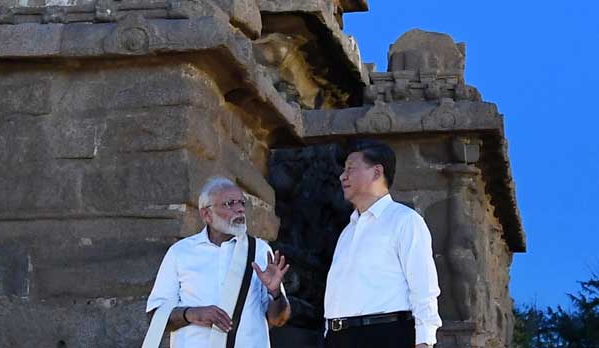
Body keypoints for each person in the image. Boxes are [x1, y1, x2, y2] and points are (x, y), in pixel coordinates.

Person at [145, 177, 291, 348]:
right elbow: (155, 316)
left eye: (241, 203)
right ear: (206, 214)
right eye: (229, 204)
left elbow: (278, 319)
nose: (239, 209)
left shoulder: (260, 251)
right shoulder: (180, 252)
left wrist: (275, 293)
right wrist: (191, 314)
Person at [324, 140, 442, 348]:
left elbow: (424, 289)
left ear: (377, 172)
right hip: (338, 337)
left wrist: (425, 341)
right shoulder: (347, 231)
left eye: (350, 169)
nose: (343, 176)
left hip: (384, 335)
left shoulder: (405, 220)